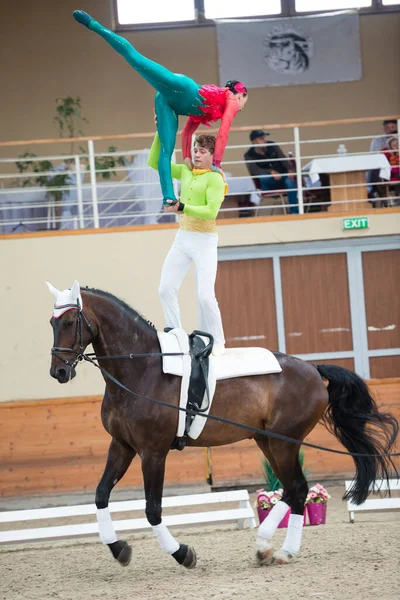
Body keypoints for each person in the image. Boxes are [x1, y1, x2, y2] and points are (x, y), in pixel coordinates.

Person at [73, 10, 248, 206]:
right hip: (181, 87)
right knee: (137, 60)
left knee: (166, 151)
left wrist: (188, 158)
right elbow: (223, 134)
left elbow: (187, 133)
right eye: (243, 102)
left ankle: (168, 197)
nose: (240, 108)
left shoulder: (204, 113)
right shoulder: (231, 99)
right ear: (240, 94)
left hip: (168, 103)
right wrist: (216, 164)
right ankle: (94, 24)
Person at [148, 131, 227, 355]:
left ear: (212, 154)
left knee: (205, 296)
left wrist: (182, 207)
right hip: (183, 238)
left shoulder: (215, 179)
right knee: (165, 289)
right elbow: (154, 162)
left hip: (205, 240)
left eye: (202, 151)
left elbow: (211, 211)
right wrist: (160, 130)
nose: (197, 154)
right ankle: (175, 333)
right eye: (195, 150)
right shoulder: (185, 171)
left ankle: (219, 341)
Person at [244, 130, 299, 214]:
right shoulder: (248, 155)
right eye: (261, 138)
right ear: (254, 142)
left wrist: (290, 169)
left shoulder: (272, 145)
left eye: (264, 138)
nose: (265, 140)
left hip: (282, 178)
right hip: (268, 183)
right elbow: (255, 171)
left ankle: (294, 212)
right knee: (263, 177)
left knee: (290, 180)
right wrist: (270, 172)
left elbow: (283, 158)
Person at [368, 120, 398, 200]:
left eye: (393, 127)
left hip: (396, 168)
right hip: (383, 168)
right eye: (388, 127)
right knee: (374, 174)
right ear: (384, 129)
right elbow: (373, 157)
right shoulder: (378, 141)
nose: (390, 130)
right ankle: (381, 199)